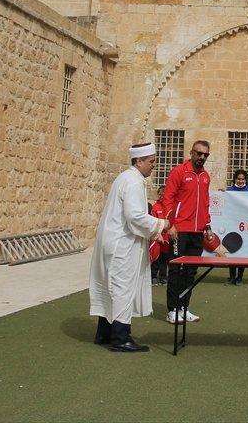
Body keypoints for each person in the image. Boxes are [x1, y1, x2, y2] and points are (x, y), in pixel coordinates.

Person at [88, 142, 174, 352]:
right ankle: (120, 338)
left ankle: (104, 333)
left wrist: (154, 233)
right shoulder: (134, 181)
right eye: (151, 161)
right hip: (122, 245)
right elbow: (135, 216)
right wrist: (163, 225)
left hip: (115, 241)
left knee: (112, 286)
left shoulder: (125, 178)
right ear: (139, 161)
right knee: (122, 288)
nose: (154, 165)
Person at [157, 140, 214, 324]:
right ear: (191, 153)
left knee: (190, 272)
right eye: (199, 153)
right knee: (175, 270)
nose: (202, 157)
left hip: (197, 232)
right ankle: (172, 310)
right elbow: (168, 198)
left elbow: (205, 202)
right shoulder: (178, 172)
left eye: (205, 155)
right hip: (179, 230)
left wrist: (207, 225)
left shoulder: (205, 176)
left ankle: (184, 308)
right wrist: (170, 225)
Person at [225, 168, 248, 285]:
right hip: (232, 225)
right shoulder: (229, 190)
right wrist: (221, 194)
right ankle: (232, 277)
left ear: (245, 180)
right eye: (238, 179)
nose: (241, 181)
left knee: (242, 252)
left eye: (243, 179)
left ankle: (240, 277)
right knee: (232, 251)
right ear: (235, 179)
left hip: (245, 227)